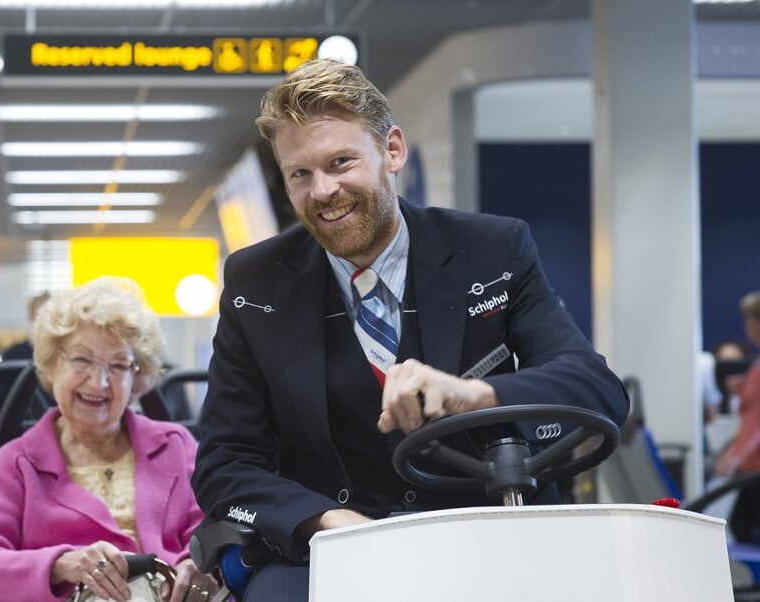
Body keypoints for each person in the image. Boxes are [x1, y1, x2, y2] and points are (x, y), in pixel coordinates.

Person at [191, 58, 630, 599]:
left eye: (341, 162)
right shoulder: (255, 281)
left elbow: (597, 391)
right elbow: (223, 463)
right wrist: (323, 521)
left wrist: (476, 395)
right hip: (329, 553)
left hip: (486, 540)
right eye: (299, 174)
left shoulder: (492, 249)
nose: (323, 190)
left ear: (392, 151)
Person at [0, 277, 217, 602]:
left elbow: (211, 531)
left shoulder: (176, 445)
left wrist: (198, 564)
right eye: (82, 359)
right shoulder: (17, 462)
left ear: (137, 377)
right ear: (50, 366)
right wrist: (62, 564)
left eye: (119, 365)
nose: (99, 381)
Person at [714, 291, 760, 545]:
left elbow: (756, 424)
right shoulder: (755, 368)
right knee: (741, 526)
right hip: (752, 466)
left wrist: (735, 456)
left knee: (743, 528)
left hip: (755, 467)